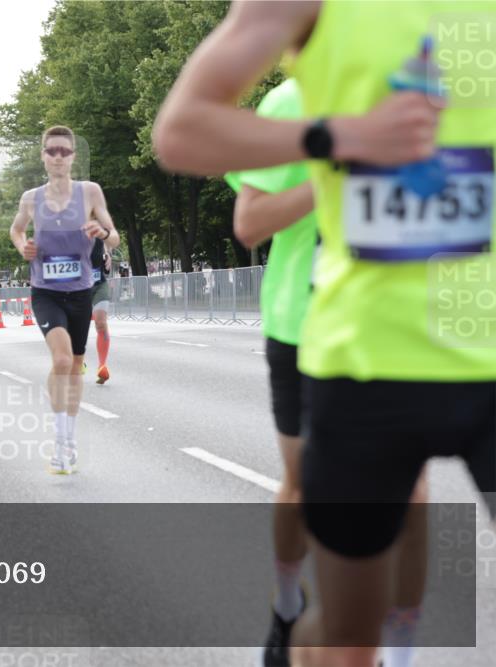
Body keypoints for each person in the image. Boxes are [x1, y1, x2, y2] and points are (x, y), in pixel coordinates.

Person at [154, 2, 495, 666]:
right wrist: (339, 137)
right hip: (366, 360)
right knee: (343, 645)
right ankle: (293, 612)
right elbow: (182, 133)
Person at [10, 125, 120, 474]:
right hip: (46, 292)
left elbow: (114, 235)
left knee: (73, 368)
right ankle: (58, 443)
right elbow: (16, 229)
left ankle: (69, 439)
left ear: (73, 157)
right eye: (51, 151)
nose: (58, 157)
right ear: (43, 156)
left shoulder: (90, 192)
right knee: (60, 361)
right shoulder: (32, 198)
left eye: (64, 151)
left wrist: (102, 232)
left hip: (80, 292)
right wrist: (22, 246)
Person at [90, 238, 112, 385]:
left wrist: (107, 255)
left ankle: (102, 366)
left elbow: (106, 243)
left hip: (99, 285)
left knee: (101, 323)